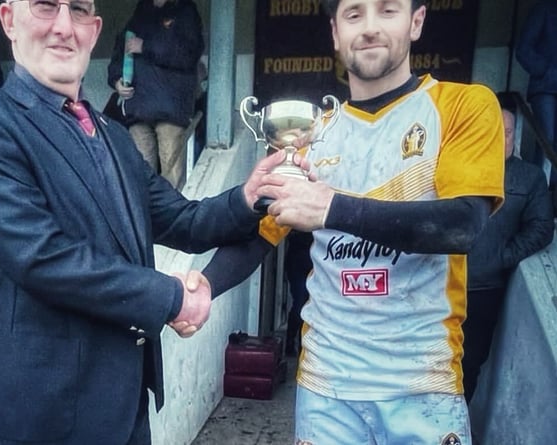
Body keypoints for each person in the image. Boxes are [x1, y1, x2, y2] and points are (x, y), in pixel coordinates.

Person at [0, 1, 282, 444]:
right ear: (9, 20)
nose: (64, 27)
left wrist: (246, 197)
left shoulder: (115, 136)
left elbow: (184, 220)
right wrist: (172, 296)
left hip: (126, 410)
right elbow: (41, 257)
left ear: (96, 29)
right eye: (46, 6)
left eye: (79, 10)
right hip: (41, 417)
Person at [202, 1, 505, 444]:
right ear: (335, 33)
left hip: (422, 385)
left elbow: (462, 226)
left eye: (387, 10)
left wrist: (331, 209)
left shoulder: (464, 106)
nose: (369, 28)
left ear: (416, 21)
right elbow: (259, 237)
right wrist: (199, 289)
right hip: (327, 388)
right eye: (354, 13)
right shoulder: (313, 134)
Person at [462, 100, 554, 404]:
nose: (502, 139)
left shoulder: (529, 177)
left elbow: (541, 228)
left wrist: (500, 257)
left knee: (469, 364)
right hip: (438, 285)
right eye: (494, 131)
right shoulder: (458, 168)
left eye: (509, 132)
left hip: (483, 291)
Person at [107, 0, 204, 189]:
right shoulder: (141, 12)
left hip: (170, 109)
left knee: (172, 175)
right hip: (138, 108)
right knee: (141, 174)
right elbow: (121, 51)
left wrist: (146, 46)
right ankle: (146, 218)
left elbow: (188, 54)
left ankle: (173, 218)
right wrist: (116, 80)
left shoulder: (184, 11)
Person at [515, 0, 557, 187]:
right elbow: (523, 49)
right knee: (545, 138)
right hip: (545, 87)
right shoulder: (544, 9)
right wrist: (546, 71)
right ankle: (539, 191)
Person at [283, 230, 312, 356]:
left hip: (312, 263)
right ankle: (291, 343)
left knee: (307, 305)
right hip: (297, 261)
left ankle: (301, 345)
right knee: (300, 304)